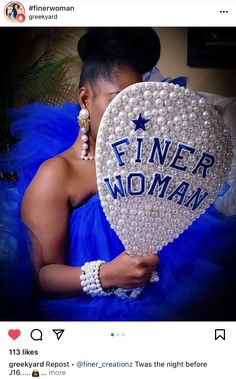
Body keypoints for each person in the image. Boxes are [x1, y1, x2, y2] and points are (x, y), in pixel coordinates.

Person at [0, 28, 236, 321]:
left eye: (137, 104)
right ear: (85, 99)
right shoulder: (58, 174)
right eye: (118, 101)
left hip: (171, 287)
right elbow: (41, 277)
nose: (129, 115)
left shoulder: (150, 161)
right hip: (95, 309)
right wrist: (107, 275)